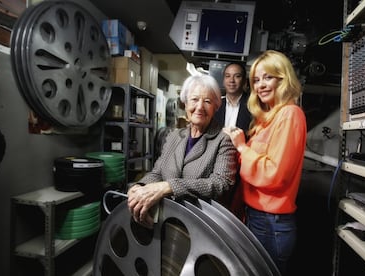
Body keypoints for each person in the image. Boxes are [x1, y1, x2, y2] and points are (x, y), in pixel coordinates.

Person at [224, 50, 307, 275]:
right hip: (256, 217)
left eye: (267, 77)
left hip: (271, 224)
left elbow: (274, 174)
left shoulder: (290, 114)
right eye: (256, 80)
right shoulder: (266, 120)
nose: (260, 85)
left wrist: (241, 146)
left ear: (284, 78)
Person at [127, 74, 238, 228]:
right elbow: (157, 172)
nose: (199, 107)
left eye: (207, 101)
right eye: (194, 99)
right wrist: (140, 186)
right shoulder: (174, 136)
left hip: (201, 225)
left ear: (216, 107)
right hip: (166, 219)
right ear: (185, 104)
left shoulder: (223, 140)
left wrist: (169, 187)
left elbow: (220, 184)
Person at [214, 62, 252, 134]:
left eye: (237, 76)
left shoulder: (252, 106)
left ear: (244, 81)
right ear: (223, 81)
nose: (231, 80)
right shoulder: (216, 105)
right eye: (227, 76)